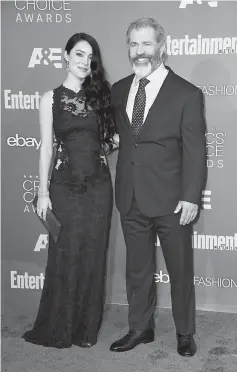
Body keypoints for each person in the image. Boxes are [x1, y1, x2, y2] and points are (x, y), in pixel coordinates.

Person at [110, 18, 206, 357]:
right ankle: (140, 327)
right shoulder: (119, 89)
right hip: (130, 195)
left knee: (180, 271)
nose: (140, 51)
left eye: (146, 44)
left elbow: (195, 151)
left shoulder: (187, 93)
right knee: (137, 269)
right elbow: (120, 138)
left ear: (161, 47)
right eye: (134, 44)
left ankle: (184, 333)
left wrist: (191, 196)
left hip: (171, 200)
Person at [22, 33, 116, 348]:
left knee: (93, 256)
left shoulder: (101, 96)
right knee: (64, 256)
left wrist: (103, 145)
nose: (84, 62)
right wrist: (43, 191)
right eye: (78, 54)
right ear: (65, 56)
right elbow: (46, 148)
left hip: (99, 187)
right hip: (64, 187)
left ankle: (85, 331)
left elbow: (115, 138)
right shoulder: (50, 98)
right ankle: (59, 327)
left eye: (90, 57)